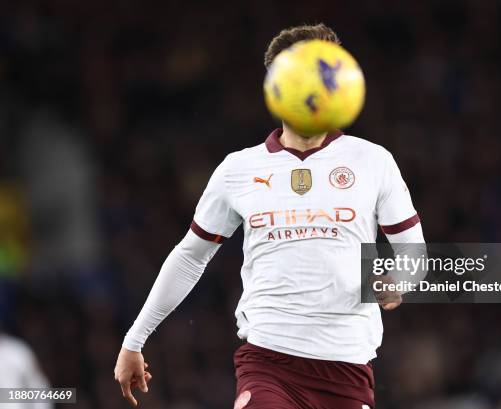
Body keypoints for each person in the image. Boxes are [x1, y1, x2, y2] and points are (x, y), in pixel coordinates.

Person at [114, 23, 424, 409]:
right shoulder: (238, 169)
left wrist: (399, 280)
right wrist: (135, 339)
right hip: (268, 361)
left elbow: (414, 251)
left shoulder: (373, 161)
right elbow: (191, 255)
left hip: (346, 367)